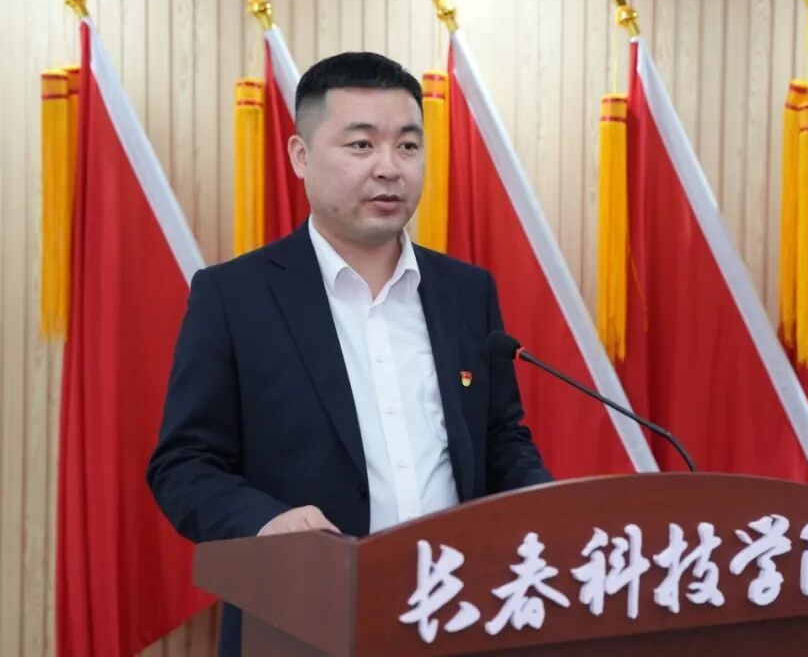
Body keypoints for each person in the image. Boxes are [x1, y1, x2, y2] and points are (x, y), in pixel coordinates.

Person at [147, 51, 552, 655]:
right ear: (301, 156)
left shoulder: (466, 292)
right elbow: (184, 465)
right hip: (299, 621)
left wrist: (549, 509)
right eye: (361, 145)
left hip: (457, 616)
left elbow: (501, 440)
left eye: (408, 146)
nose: (389, 168)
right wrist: (264, 522)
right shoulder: (234, 297)